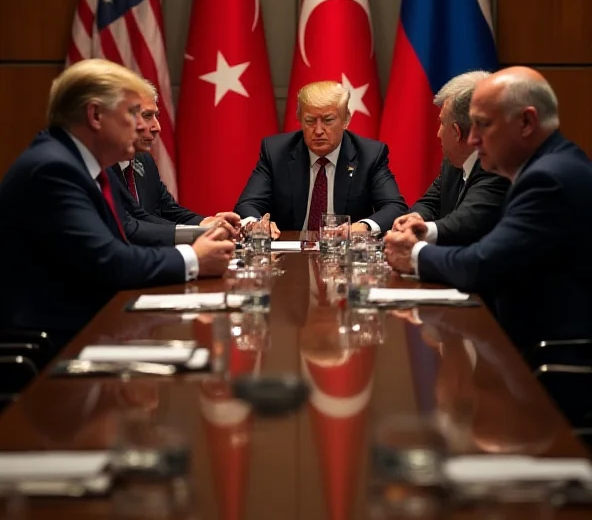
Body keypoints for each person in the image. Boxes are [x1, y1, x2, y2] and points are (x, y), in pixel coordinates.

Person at [0, 59, 234, 344]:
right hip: (52, 342)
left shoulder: (89, 164)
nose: (140, 126)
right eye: (133, 113)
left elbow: (130, 230)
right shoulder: (55, 168)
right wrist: (194, 258)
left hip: (97, 324)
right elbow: (109, 260)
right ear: (95, 115)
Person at [384, 66, 592, 351]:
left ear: (526, 122)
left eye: (484, 124)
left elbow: (482, 264)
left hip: (547, 361)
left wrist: (414, 254)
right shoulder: (549, 165)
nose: (472, 139)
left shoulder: (547, 180)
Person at [235, 81, 407, 235]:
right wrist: (257, 223)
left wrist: (363, 226)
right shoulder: (276, 152)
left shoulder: (369, 155)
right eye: (310, 121)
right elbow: (248, 204)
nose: (318, 130)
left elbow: (395, 207)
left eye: (328, 120)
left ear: (346, 119)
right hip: (288, 252)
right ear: (299, 119)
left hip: (344, 253)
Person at [393, 71, 509, 246]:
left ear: (456, 131)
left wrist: (421, 231)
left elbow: (465, 222)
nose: (438, 133)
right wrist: (415, 218)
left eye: (442, 123)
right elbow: (431, 202)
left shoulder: (499, 166)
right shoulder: (454, 161)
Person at [112, 92, 240, 245]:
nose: (157, 127)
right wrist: (200, 234)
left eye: (156, 116)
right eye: (146, 116)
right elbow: (130, 224)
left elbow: (168, 209)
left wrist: (207, 222)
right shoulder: (103, 167)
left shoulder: (144, 160)